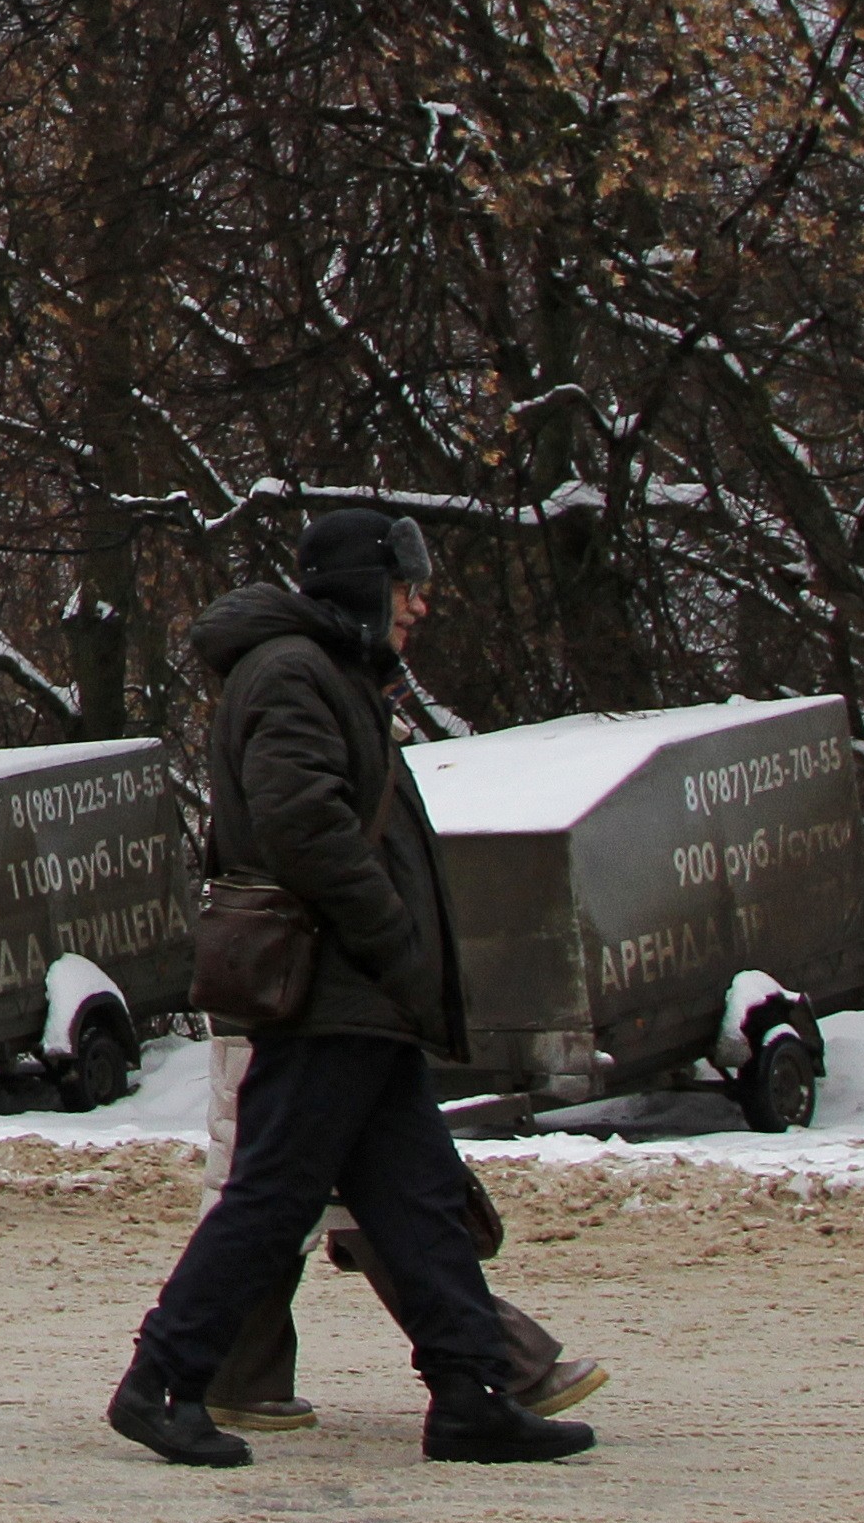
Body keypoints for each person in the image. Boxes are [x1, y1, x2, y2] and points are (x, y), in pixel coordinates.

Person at [107, 509, 596, 1468]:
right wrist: (392, 936)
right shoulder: (292, 672)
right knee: (272, 1195)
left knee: (417, 1201)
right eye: (408, 583)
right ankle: (160, 1381)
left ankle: (471, 1393)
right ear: (364, 584)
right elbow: (303, 825)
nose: (420, 603)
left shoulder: (327, 672)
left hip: (360, 995)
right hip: (331, 988)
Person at [194, 1030, 606, 1432]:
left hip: (306, 1023)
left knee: (302, 1198)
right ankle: (501, 1365)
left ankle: (233, 1374)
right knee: (374, 1200)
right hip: (311, 1026)